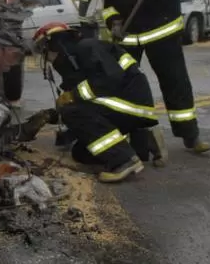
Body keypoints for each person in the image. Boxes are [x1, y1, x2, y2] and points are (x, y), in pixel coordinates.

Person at [79, 0, 210, 154]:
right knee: (126, 88)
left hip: (164, 29)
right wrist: (114, 22)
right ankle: (135, 141)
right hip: (127, 35)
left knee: (176, 84)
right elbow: (100, 1)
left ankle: (190, 137)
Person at [34, 22, 167, 183]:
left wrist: (71, 98)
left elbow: (108, 81)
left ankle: (125, 161)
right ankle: (142, 141)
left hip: (129, 104)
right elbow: (84, 110)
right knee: (81, 153)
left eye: (43, 49)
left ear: (54, 42)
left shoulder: (87, 48)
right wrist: (54, 116)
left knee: (71, 110)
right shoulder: (71, 60)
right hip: (117, 106)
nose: (45, 56)